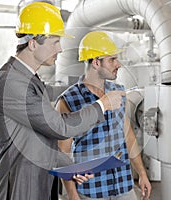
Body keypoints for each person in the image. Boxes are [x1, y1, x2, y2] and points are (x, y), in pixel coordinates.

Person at [0, 3, 125, 200]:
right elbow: (59, 127)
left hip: (40, 181)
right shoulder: (11, 83)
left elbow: (40, 141)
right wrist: (102, 104)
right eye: (55, 42)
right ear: (33, 43)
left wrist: (70, 167)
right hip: (20, 186)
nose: (60, 49)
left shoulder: (29, 78)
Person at [55, 31, 152, 200]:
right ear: (96, 62)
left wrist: (142, 173)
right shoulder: (68, 101)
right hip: (92, 191)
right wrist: (71, 194)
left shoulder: (118, 92)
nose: (118, 64)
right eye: (112, 59)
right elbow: (62, 153)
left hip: (124, 187)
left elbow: (128, 137)